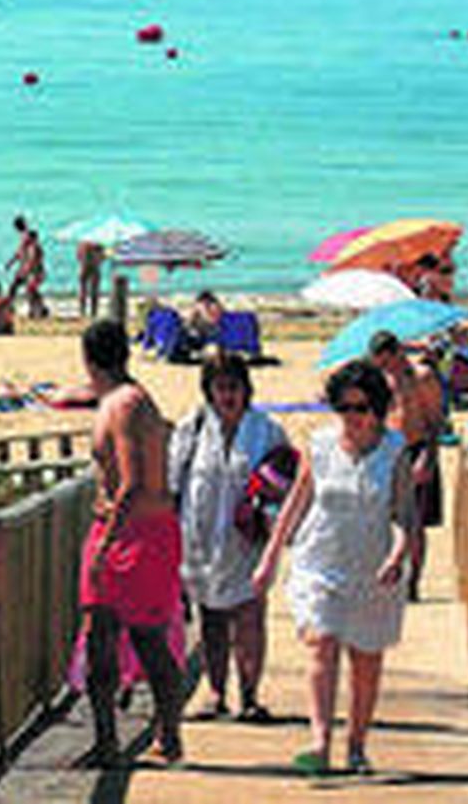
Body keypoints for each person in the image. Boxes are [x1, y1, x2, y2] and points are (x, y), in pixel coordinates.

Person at [252, 360, 413, 776]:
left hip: (375, 571)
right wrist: (270, 557)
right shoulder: (320, 445)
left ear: (377, 409)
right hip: (320, 563)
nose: (352, 418)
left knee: (365, 662)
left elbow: (403, 515)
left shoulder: (394, 451)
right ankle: (320, 742)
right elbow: (296, 504)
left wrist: (397, 554)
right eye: (344, 408)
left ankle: (356, 745)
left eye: (361, 408)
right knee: (321, 643)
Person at [78, 319, 185, 767]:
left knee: (130, 636)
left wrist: (105, 545)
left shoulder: (122, 405)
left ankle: (119, 741)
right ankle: (156, 736)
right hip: (147, 528)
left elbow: (131, 480)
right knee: (124, 635)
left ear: (89, 358)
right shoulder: (134, 398)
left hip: (130, 531)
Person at [169, 353, 289, 723]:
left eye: (234, 387)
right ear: (209, 391)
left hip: (249, 541)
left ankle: (250, 696)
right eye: (220, 387)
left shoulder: (267, 430)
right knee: (211, 618)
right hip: (200, 539)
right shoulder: (192, 428)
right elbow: (173, 483)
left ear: (246, 388)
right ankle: (216, 692)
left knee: (250, 616)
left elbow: (286, 480)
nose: (228, 395)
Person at [368, 331, 445, 602]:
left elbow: (436, 421)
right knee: (383, 517)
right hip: (388, 451)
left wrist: (429, 457)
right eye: (380, 363)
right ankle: (387, 575)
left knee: (415, 522)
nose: (385, 367)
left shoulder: (422, 377)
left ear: (398, 353)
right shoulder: (381, 380)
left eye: (387, 361)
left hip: (417, 448)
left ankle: (414, 582)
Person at [4, 216, 47, 319]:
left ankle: (36, 309)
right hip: (26, 268)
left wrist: (25, 267)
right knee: (23, 289)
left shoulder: (29, 238)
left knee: (27, 290)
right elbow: (20, 253)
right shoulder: (26, 237)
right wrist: (11, 262)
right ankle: (39, 308)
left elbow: (27, 254)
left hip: (30, 269)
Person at [77, 241, 105, 318]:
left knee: (83, 290)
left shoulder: (82, 245)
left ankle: (82, 311)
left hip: (84, 267)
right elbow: (103, 257)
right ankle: (93, 312)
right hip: (94, 268)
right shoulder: (98, 245)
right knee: (94, 291)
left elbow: (78, 256)